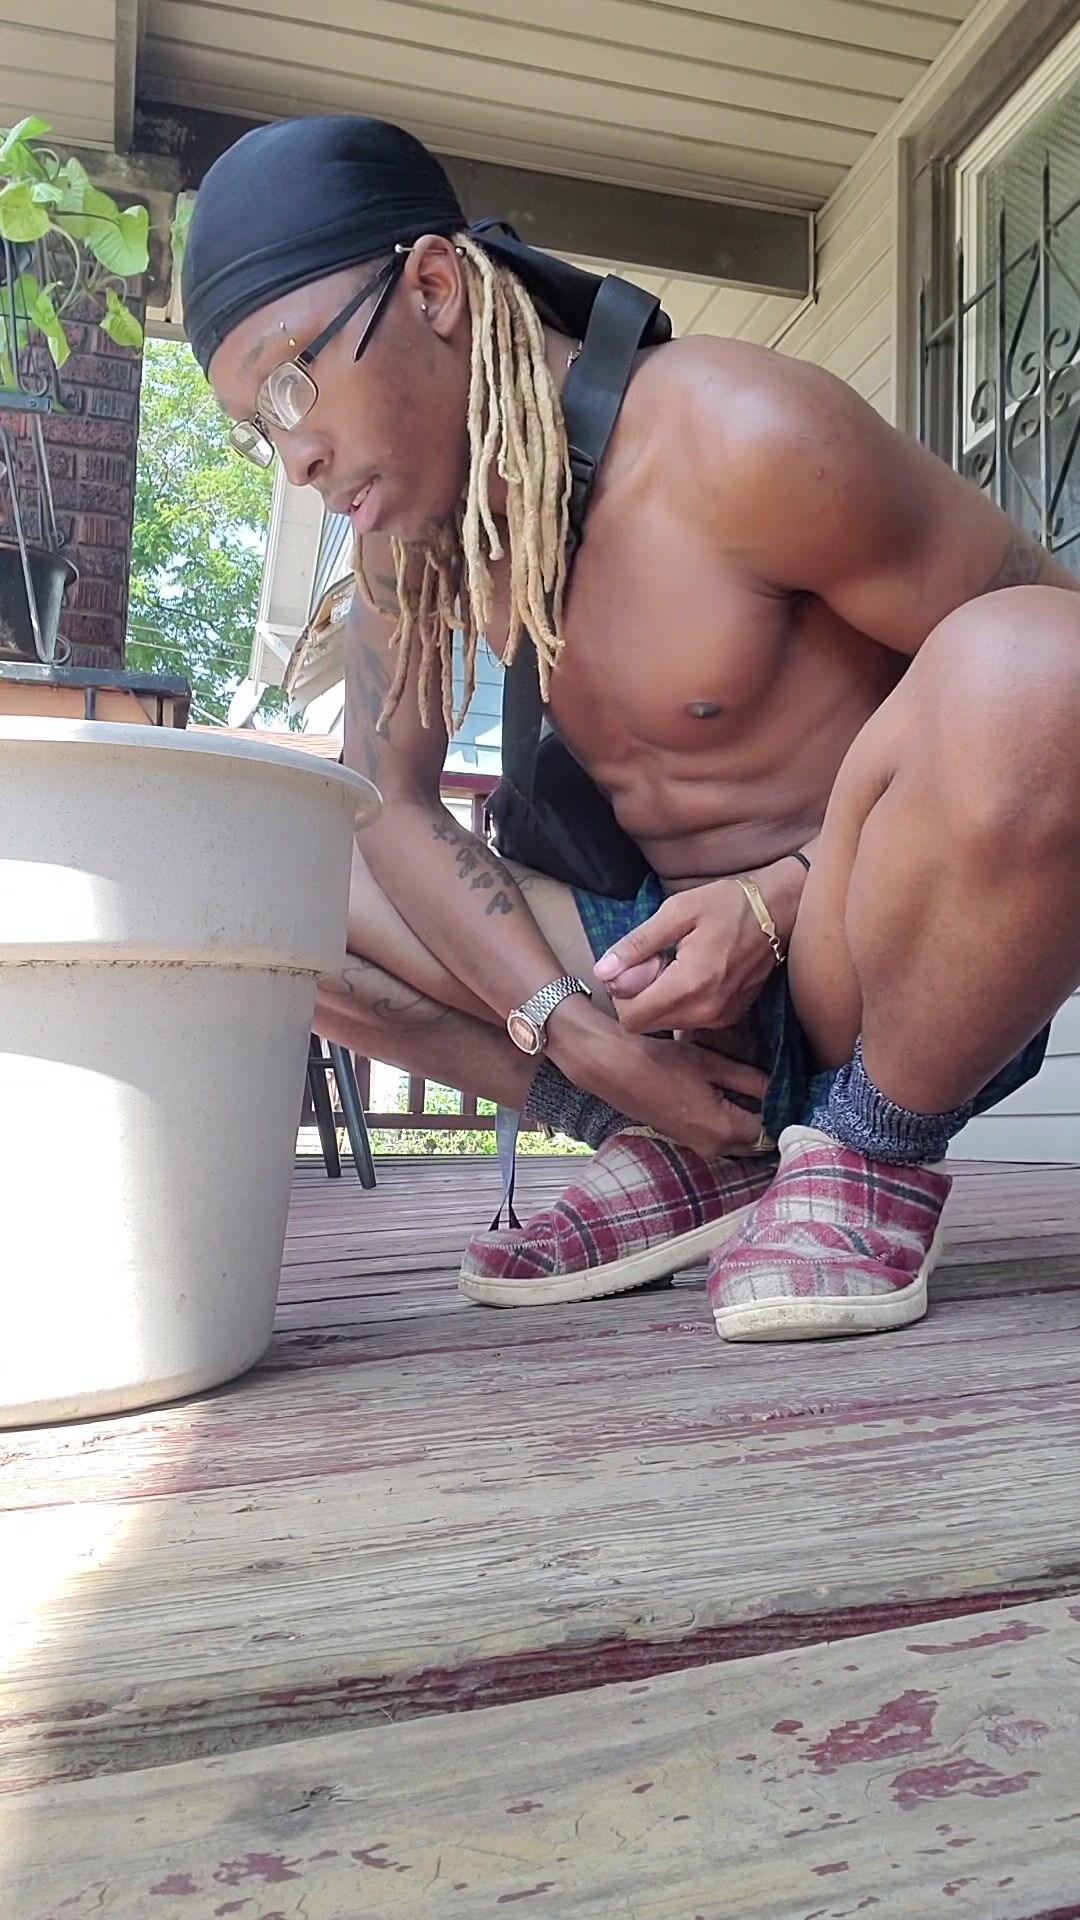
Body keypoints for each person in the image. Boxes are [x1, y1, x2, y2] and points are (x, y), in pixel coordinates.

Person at [184, 114, 1080, 1343]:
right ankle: (683, 1146)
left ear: (435, 288)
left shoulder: (739, 432)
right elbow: (388, 803)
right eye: (259, 425)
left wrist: (776, 896)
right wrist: (579, 1038)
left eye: (292, 383)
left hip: (864, 953)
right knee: (264, 873)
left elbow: (1055, 668)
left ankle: (871, 1147)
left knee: (1038, 664)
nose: (293, 458)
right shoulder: (411, 545)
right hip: (656, 982)